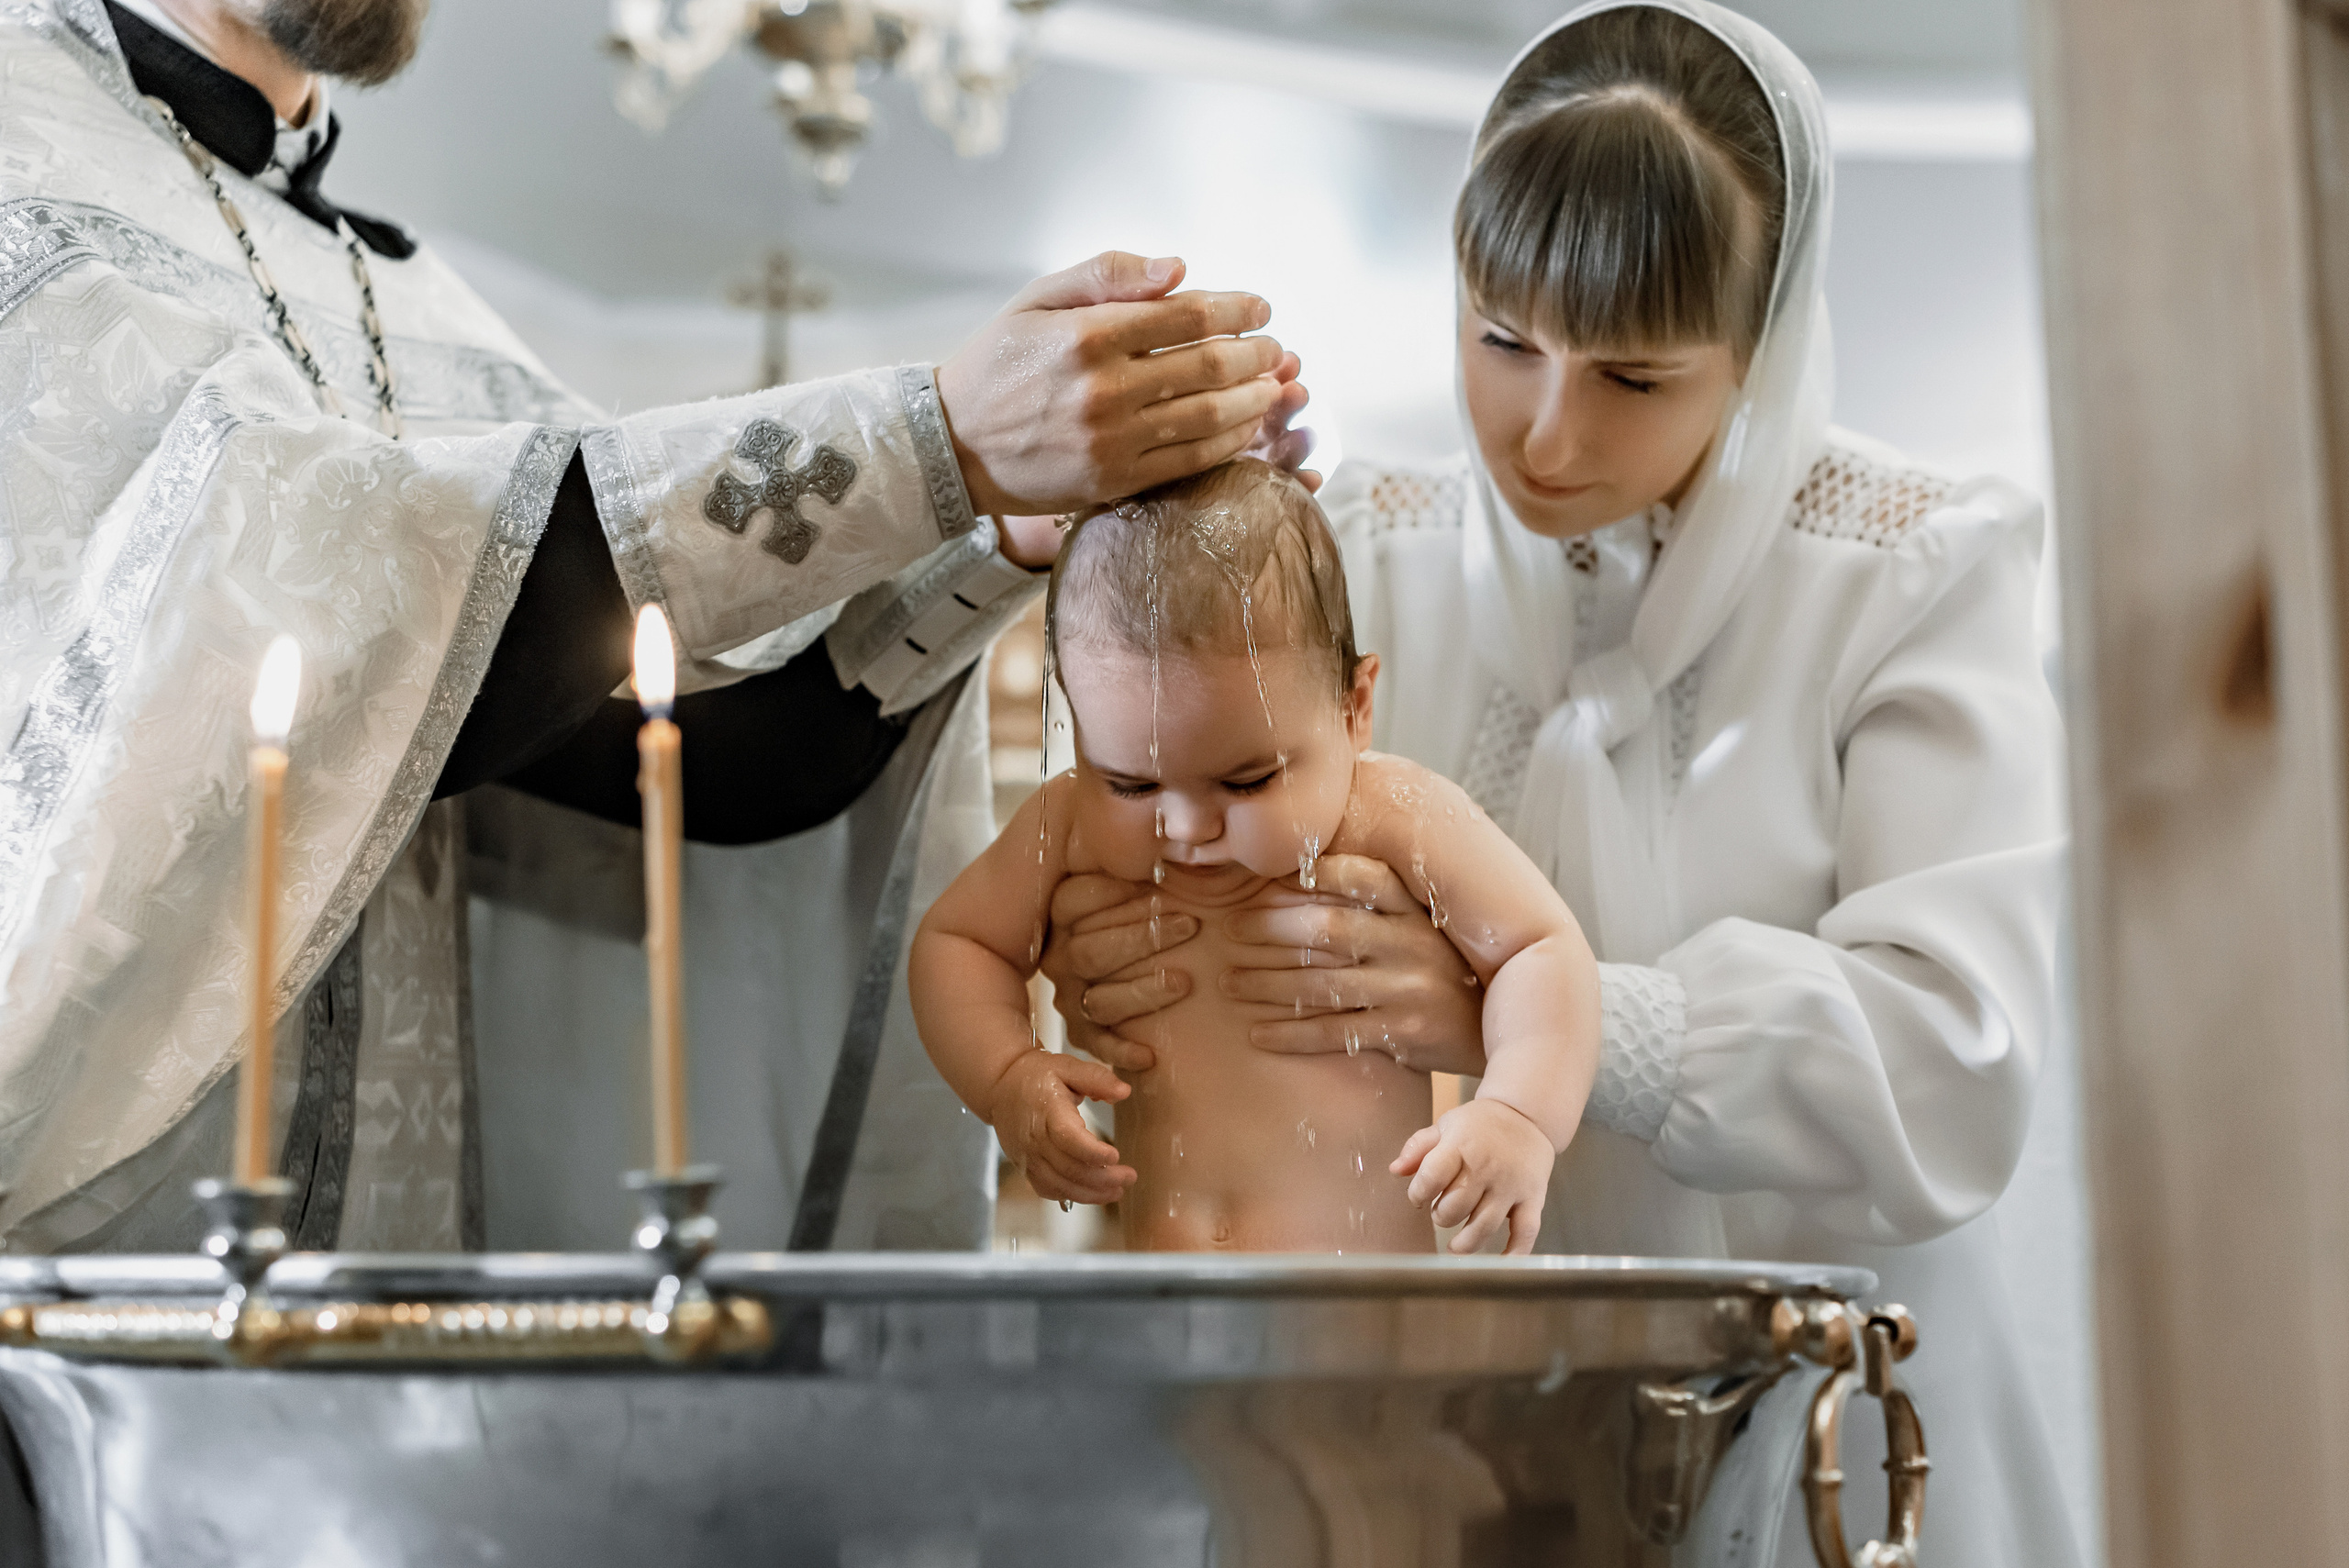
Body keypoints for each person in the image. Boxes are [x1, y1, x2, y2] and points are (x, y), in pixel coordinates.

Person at [0, 0, 1311, 1254]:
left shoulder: (414, 305)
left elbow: (713, 756)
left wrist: (1011, 522)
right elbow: (283, 591)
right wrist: (936, 440)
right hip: (73, 1283)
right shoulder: (27, 159)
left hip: (386, 1317)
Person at [1040, 4, 2081, 1564]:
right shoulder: (1360, 553)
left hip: (1835, 1443)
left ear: (1766, 345)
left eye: (1637, 378)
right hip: (1446, 1449)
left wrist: (1555, 1021)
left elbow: (1954, 1057)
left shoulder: (1913, 571)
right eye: (1502, 339)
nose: (1545, 429)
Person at [911, 459, 1598, 1254]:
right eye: (1132, 784)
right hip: (1166, 1293)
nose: (1189, 824)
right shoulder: (1066, 818)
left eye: (1248, 780)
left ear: (1354, 708)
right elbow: (956, 943)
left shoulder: (1392, 813)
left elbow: (1542, 948)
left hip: (1357, 1305)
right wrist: (1006, 1076)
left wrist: (1519, 1114)